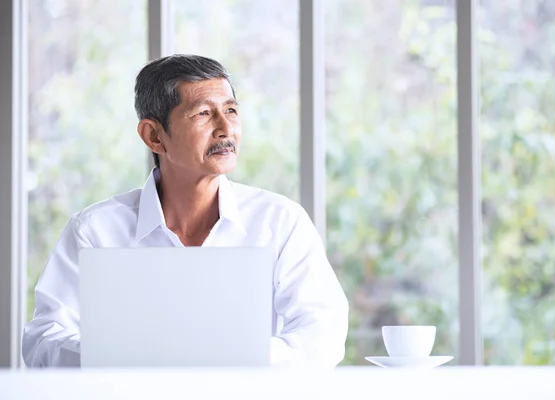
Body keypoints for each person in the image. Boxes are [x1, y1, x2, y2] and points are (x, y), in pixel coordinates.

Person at [22, 54, 349, 368]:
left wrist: (226, 358)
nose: (226, 129)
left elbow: (322, 337)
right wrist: (127, 359)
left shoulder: (280, 221)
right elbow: (43, 341)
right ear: (154, 136)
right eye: (203, 114)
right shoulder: (94, 231)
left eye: (231, 111)